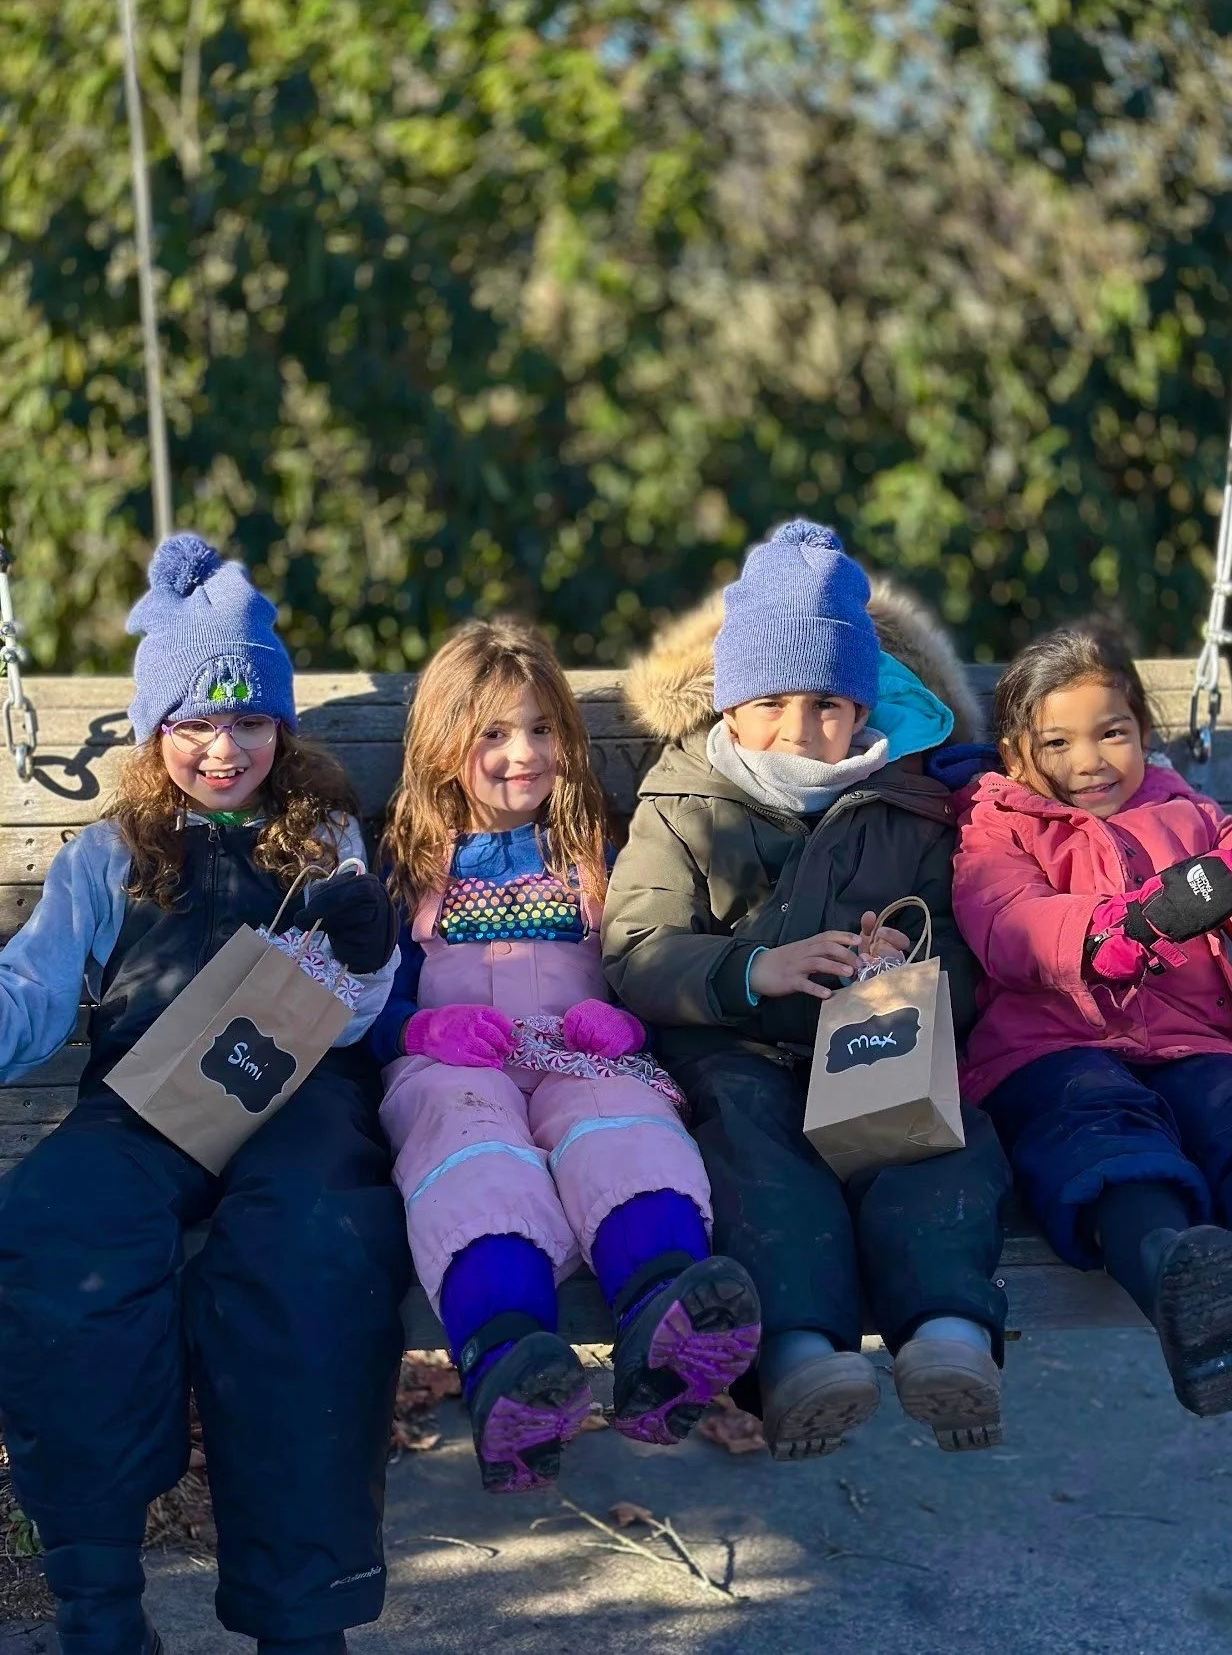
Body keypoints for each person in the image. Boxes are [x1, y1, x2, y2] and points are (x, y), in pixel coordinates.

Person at [0, 534, 411, 1655]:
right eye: (195, 722)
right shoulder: (110, 852)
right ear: (156, 729)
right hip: (144, 1097)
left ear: (283, 727)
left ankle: (299, 1616)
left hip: (297, 1099)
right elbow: (35, 989)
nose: (224, 748)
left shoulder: (323, 838)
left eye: (250, 721)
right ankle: (97, 1598)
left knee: (311, 1251)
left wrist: (365, 946)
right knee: (58, 1225)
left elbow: (359, 1009)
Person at [601, 520, 1013, 1460]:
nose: (801, 729)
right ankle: (798, 1355)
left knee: (940, 1143)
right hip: (737, 1044)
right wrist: (752, 968)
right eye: (772, 701)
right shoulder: (685, 799)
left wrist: (903, 972)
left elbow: (960, 940)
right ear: (730, 702)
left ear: (863, 705)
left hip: (875, 1043)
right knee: (755, 1156)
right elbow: (634, 946)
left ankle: (946, 1335)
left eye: (829, 702)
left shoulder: (910, 799)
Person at [370, 619, 760, 1495]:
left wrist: (629, 1018)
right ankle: (512, 1362)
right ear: (443, 746)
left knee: (623, 1126)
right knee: (472, 1152)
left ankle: (666, 1319)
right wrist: (412, 1030)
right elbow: (358, 995)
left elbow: (647, 953)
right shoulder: (401, 864)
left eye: (542, 729)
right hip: (455, 1063)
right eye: (495, 734)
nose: (524, 754)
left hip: (579, 1050)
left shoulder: (597, 850)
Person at [953, 619, 1232, 1417]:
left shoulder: (1188, 813)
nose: (1088, 762)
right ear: (1016, 754)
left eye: (1111, 733)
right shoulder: (994, 824)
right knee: (1100, 1127)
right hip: (1050, 1052)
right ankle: (1181, 1282)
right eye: (1058, 743)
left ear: (1143, 731)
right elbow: (1011, 927)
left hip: (1190, 1047)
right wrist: (1127, 926)